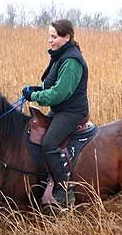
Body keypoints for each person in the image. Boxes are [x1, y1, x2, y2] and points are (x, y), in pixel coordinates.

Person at [22, 19, 89, 206]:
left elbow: (60, 93)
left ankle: (63, 189)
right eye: (49, 36)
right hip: (60, 110)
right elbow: (51, 84)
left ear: (67, 37)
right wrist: (36, 89)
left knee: (49, 143)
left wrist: (35, 96)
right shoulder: (60, 55)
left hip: (72, 112)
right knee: (34, 133)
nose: (50, 40)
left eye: (54, 36)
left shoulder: (72, 61)